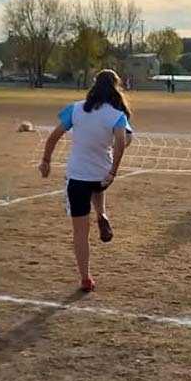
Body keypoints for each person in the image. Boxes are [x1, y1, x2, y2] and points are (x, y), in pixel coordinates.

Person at [39, 69, 133, 292]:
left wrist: (46, 161)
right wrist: (113, 171)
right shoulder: (117, 114)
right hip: (102, 176)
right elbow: (121, 142)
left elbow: (53, 137)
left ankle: (86, 278)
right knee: (97, 185)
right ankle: (101, 214)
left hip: (78, 177)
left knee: (80, 232)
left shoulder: (76, 109)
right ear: (115, 87)